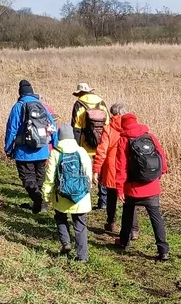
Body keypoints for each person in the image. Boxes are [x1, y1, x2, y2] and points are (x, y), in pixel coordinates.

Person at [110, 110, 169, 261]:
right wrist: (160, 173)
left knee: (128, 214)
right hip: (152, 185)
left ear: (123, 125)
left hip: (133, 187)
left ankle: (124, 242)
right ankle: (163, 250)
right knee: (156, 218)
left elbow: (121, 167)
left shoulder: (124, 140)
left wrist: (119, 188)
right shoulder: (150, 136)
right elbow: (161, 156)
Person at [4, 79, 58, 214]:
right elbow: (52, 126)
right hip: (42, 150)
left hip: (24, 151)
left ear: (20, 93)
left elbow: (11, 129)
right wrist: (55, 145)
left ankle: (37, 199)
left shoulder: (18, 106)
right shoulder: (41, 106)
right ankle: (41, 204)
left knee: (27, 178)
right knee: (40, 177)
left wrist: (8, 148)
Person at [41, 124, 93, 262]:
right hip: (81, 196)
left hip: (61, 195)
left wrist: (46, 196)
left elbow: (50, 178)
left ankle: (66, 242)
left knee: (60, 218)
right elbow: (88, 174)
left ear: (60, 137)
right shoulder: (82, 151)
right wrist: (87, 190)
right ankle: (82, 256)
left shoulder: (55, 153)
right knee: (80, 225)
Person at [70, 83, 111, 210]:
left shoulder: (78, 104)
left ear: (80, 93)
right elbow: (108, 124)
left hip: (84, 144)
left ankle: (83, 197)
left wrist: (75, 146)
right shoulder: (101, 102)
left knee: (84, 171)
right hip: (101, 143)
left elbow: (76, 127)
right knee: (102, 171)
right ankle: (103, 200)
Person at [92, 101, 127, 233]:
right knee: (129, 199)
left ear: (112, 113)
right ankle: (132, 228)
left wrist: (96, 170)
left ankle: (111, 222)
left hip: (112, 168)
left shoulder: (108, 128)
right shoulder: (129, 127)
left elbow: (102, 151)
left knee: (111, 197)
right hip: (126, 168)